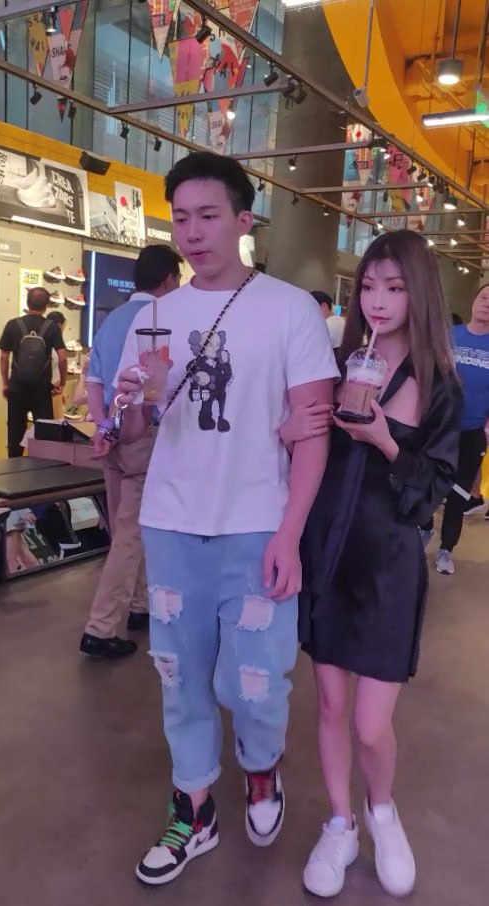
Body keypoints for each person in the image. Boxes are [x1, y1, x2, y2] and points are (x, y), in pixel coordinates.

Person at [114, 151, 338, 885]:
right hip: (172, 521)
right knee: (178, 675)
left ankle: (262, 768)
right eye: (181, 218)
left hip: (258, 524)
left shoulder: (290, 310)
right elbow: (136, 434)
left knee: (257, 680)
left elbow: (313, 432)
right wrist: (134, 402)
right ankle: (194, 808)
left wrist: (290, 535)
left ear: (244, 221)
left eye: (208, 216)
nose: (193, 232)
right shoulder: (153, 317)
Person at [287, 230, 461, 898]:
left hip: (388, 564)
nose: (378, 301)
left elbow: (429, 496)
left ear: (419, 293)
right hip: (327, 552)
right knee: (331, 705)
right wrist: (290, 429)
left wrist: (387, 440)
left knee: (370, 723)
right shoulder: (337, 363)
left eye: (394, 287)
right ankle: (339, 823)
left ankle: (381, 811)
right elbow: (306, 453)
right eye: (368, 286)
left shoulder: (438, 384)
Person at [79, 244, 183, 660]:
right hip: (144, 434)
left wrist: (103, 425)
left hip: (112, 434)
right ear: (169, 280)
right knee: (132, 534)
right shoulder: (161, 319)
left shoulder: (113, 319)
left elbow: (94, 381)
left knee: (125, 529)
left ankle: (140, 605)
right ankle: (101, 627)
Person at [435, 284, 489, 574]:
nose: (487, 304)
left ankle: (446, 549)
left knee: (458, 494)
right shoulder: (450, 336)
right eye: (484, 297)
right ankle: (422, 529)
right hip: (440, 427)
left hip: (472, 432)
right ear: (474, 301)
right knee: (427, 483)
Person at [0, 287, 67, 457]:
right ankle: (42, 468)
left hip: (17, 387)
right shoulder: (52, 327)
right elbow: (63, 358)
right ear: (46, 305)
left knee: (15, 433)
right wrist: (62, 383)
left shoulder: (13, 324)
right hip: (42, 389)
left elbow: (4, 357)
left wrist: (5, 383)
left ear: (27, 302)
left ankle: (13, 468)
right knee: (44, 435)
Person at [46, 310, 67, 420]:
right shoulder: (56, 346)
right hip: (54, 388)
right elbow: (62, 360)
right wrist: (62, 383)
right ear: (59, 325)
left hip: (42, 388)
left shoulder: (42, 340)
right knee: (55, 422)